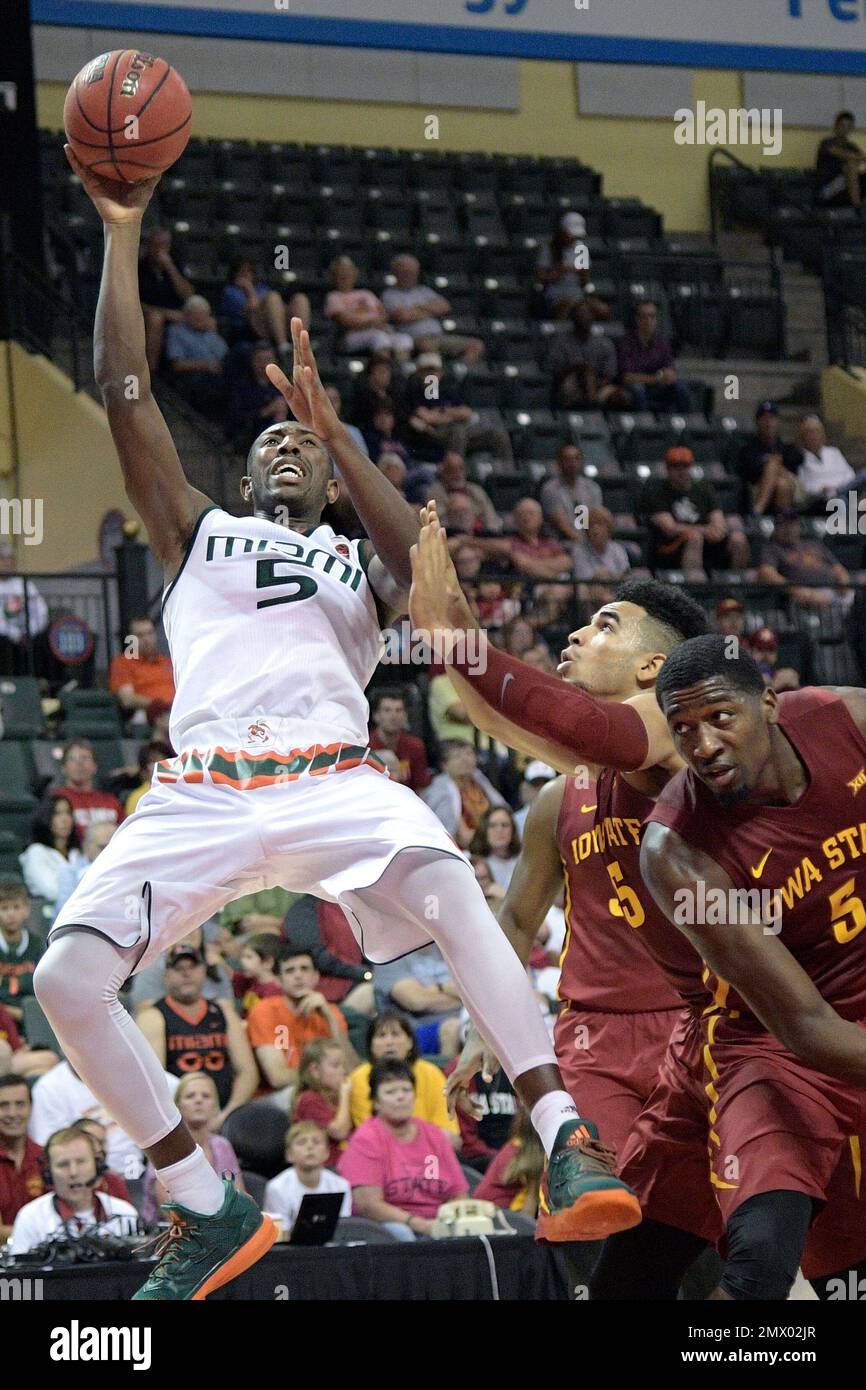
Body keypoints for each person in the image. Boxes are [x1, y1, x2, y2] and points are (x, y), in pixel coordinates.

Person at [36, 153, 623, 1304]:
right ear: (244, 473)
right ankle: (202, 1208)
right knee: (65, 978)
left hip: (333, 780)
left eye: (299, 444)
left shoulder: (356, 553)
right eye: (271, 442)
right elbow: (125, 393)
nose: (285, 448)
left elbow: (433, 585)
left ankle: (561, 1136)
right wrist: (120, 225)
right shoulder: (193, 535)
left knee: (452, 883)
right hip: (203, 790)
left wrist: (340, 431)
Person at [411, 521, 866, 1297]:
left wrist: (464, 645)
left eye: (604, 624)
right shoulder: (611, 796)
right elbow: (526, 726)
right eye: (689, 728)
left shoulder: (791, 723)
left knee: (784, 1261)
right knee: (651, 1235)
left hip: (743, 1017)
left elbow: (562, 720)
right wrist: (455, 644)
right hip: (679, 1030)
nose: (702, 744)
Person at [591, 638, 866, 1302]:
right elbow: (803, 1025)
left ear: (768, 703)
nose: (704, 744)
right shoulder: (676, 849)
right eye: (682, 729)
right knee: (752, 1271)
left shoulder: (849, 719)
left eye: (720, 718)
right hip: (770, 1048)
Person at [337, 1059, 467, 1240]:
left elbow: (459, 1194)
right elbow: (368, 1204)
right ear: (376, 1103)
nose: (401, 1097)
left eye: (406, 1090)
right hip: (393, 1229)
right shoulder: (366, 1139)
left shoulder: (435, 1135)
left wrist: (452, 1223)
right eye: (390, 1092)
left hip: (438, 1225)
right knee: (403, 1234)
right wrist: (418, 1224)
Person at [136, 942, 258, 1124]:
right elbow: (154, 1081)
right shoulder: (153, 1016)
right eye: (179, 968)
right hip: (176, 1119)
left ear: (203, 971)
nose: (187, 973)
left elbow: (247, 1071)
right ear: (167, 975)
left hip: (225, 1114)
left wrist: (226, 1115)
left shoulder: (223, 1012)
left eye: (193, 967)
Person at [30, 1056, 179, 1181]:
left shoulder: (137, 1072)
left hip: (136, 1176)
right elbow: (51, 1150)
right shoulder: (49, 1087)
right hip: (81, 1181)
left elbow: (182, 1091)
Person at [9, 1126, 138, 1254]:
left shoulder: (124, 1213)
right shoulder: (30, 1218)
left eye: (81, 1162)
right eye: (63, 1164)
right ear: (48, 1172)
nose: (73, 1172)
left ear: (97, 1166)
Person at [141, 1074, 244, 1224]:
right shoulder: (163, 1148)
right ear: (177, 1106)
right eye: (190, 1096)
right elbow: (169, 1210)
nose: (199, 1100)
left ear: (215, 1107)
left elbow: (239, 1200)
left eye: (206, 1096)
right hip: (172, 1236)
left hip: (221, 1233)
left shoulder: (222, 1146)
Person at [246, 946, 349, 1094]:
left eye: (304, 969)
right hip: (282, 1095)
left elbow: (350, 1066)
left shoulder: (331, 1011)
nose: (298, 975)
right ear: (279, 981)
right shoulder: (264, 1011)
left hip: (329, 1089)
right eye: (290, 971)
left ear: (316, 977)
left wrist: (329, 1017)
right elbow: (278, 1077)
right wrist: (326, 1076)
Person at [639, 446, 749, 577]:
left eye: (685, 466)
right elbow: (670, 528)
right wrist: (705, 530)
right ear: (668, 469)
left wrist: (716, 531)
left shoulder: (704, 489)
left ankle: (735, 584)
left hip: (707, 542)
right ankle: (694, 588)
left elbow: (718, 522)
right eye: (676, 466)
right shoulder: (656, 492)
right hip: (671, 547)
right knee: (694, 537)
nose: (681, 471)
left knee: (738, 539)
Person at [348, 1013, 458, 1141]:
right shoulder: (359, 1078)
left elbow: (450, 1133)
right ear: (370, 1045)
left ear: (410, 1042)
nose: (389, 1042)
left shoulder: (431, 1073)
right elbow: (370, 1134)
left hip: (431, 1150)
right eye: (381, 1036)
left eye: (396, 1034)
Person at [403, 354, 513, 464]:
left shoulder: (447, 391)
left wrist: (442, 412)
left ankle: (506, 472)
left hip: (460, 432)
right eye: (426, 372)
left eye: (434, 371)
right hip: (433, 434)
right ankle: (455, 471)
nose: (431, 375)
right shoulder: (414, 393)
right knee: (458, 430)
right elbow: (428, 418)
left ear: (441, 373)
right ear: (419, 374)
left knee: (497, 434)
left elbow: (467, 413)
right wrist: (454, 416)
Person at [382, 253, 485, 362]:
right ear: (396, 273)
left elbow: (445, 306)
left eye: (413, 272)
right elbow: (403, 316)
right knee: (428, 346)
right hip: (414, 338)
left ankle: (457, 373)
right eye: (406, 272)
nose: (410, 275)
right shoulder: (390, 294)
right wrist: (430, 310)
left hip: (438, 335)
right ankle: (433, 378)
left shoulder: (423, 290)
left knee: (476, 345)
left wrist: (416, 309)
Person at [372, 944, 464, 1060]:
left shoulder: (449, 946)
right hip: (417, 1031)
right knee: (452, 1027)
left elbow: (477, 991)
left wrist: (428, 991)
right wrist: (445, 988)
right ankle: (446, 1076)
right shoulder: (389, 955)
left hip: (467, 1017)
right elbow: (417, 1001)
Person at [758, 509, 852, 613]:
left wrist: (844, 584)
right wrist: (798, 591)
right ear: (776, 528)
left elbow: (838, 568)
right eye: (784, 525)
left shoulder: (814, 544)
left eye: (793, 525)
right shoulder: (773, 548)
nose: (789, 529)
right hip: (807, 594)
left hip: (836, 590)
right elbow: (767, 573)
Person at [263, 1121, 351, 1231]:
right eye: (301, 1142)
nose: (310, 1147)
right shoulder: (276, 1188)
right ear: (289, 1155)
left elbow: (344, 1227)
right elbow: (279, 1233)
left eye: (316, 1142)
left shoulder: (341, 1186)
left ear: (327, 1152)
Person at [219, 256, 310, 358]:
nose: (246, 274)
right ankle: (282, 345)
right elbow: (252, 308)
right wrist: (249, 289)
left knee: (300, 298)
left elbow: (278, 308)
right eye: (242, 271)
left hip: (274, 325)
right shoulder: (230, 291)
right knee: (273, 297)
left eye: (249, 271)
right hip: (250, 330)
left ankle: (302, 344)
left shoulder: (262, 288)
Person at [324, 256, 413, 358]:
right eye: (341, 272)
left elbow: (383, 314)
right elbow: (345, 321)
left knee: (404, 340)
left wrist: (380, 324)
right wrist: (373, 324)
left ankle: (401, 370)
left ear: (355, 273)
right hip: (352, 335)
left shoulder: (366, 293)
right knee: (379, 338)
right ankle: (381, 371)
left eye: (348, 271)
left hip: (377, 329)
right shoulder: (334, 296)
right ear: (334, 276)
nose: (345, 275)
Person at [421, 741, 506, 846]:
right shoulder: (440, 791)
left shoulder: (480, 780)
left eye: (469, 753)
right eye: (457, 756)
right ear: (444, 765)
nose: (465, 760)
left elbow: (505, 813)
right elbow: (462, 837)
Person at [616, 300, 692, 414]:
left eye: (652, 317)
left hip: (657, 387)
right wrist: (655, 379)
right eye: (644, 317)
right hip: (634, 388)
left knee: (680, 388)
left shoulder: (661, 343)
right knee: (638, 390)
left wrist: (669, 374)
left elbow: (669, 368)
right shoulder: (626, 343)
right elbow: (627, 377)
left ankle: (689, 427)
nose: (648, 321)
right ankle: (644, 428)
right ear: (637, 319)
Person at [544, 302, 622, 409]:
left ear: (593, 317)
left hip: (599, 384)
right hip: (569, 382)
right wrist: (575, 369)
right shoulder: (560, 341)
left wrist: (593, 383)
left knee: (620, 396)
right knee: (571, 388)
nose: (584, 318)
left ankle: (612, 423)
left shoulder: (604, 343)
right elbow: (552, 369)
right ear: (572, 318)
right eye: (580, 314)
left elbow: (610, 374)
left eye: (587, 314)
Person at [138, 228, 194, 374]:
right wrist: (166, 313)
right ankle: (150, 374)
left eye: (163, 246)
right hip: (146, 316)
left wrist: (170, 268)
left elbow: (188, 295)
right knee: (156, 319)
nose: (159, 250)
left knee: (206, 319)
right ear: (147, 246)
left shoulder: (175, 266)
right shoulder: (138, 268)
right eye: (155, 245)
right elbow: (132, 303)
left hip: (178, 315)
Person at [291, 1038, 353, 1169]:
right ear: (315, 1070)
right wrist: (345, 1095)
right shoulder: (309, 1099)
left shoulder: (334, 1097)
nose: (343, 1071)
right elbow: (340, 1131)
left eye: (343, 1065)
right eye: (336, 1066)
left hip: (347, 1162)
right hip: (327, 1168)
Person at [535, 212, 608, 322]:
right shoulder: (548, 249)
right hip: (555, 294)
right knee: (568, 305)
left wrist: (581, 273)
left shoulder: (581, 249)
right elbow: (541, 277)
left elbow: (585, 281)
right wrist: (558, 273)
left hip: (578, 294)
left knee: (602, 310)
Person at [734, 401, 802, 516]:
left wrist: (773, 463)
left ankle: (757, 510)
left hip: (794, 488)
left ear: (778, 422)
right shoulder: (749, 448)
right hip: (759, 487)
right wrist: (771, 464)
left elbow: (796, 463)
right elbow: (749, 471)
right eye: (764, 419)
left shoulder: (786, 447)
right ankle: (783, 522)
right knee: (781, 485)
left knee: (774, 465)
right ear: (757, 422)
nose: (768, 423)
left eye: (772, 419)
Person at [19, 796, 85, 912]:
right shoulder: (36, 852)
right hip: (47, 915)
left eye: (68, 813)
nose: (65, 819)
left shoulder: (76, 852)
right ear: (46, 818)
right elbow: (52, 892)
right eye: (57, 814)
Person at [0, 1074, 46, 1241]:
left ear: (31, 1107)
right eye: (3, 1105)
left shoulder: (47, 1158)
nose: (12, 1114)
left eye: (20, 1104)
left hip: (46, 1262)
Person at [165, 296, 228, 416]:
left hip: (218, 371)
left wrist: (214, 332)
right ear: (186, 315)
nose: (200, 318)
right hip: (196, 374)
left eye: (204, 315)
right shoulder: (176, 331)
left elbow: (225, 354)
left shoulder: (210, 332)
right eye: (196, 314)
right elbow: (177, 365)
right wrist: (205, 366)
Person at [475, 1106, 545, 1214]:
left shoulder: (514, 1145)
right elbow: (527, 1213)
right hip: (498, 1218)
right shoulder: (532, 1157)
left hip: (490, 1214)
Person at [108, 614, 175, 724]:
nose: (147, 639)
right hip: (147, 714)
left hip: (175, 711)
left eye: (150, 633)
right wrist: (159, 705)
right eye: (140, 635)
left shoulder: (167, 661)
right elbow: (127, 699)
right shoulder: (123, 662)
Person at [53, 740, 125, 838]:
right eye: (72, 759)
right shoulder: (56, 800)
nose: (79, 764)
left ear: (95, 766)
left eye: (85, 758)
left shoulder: (112, 802)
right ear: (63, 768)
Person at [226, 340, 290, 448]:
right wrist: (266, 412)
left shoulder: (281, 385)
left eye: (268, 360)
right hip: (255, 434)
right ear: (253, 362)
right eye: (260, 360)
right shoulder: (242, 386)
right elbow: (236, 418)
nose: (265, 364)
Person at [0, 541, 50, 676]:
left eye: (10, 559)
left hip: (28, 636)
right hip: (5, 637)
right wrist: (16, 635)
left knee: (45, 642)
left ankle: (43, 685)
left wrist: (29, 632)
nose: (7, 563)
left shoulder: (23, 583)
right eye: (2, 559)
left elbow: (41, 611)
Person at [368, 688, 431, 794]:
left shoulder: (415, 746)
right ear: (376, 716)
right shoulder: (364, 745)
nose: (393, 716)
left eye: (398, 710)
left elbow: (421, 787)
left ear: (406, 716)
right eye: (387, 710)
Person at [425, 451, 502, 534]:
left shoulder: (476, 490)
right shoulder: (434, 492)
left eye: (461, 468)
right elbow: (438, 522)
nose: (457, 474)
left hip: (480, 538)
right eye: (451, 470)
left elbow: (492, 521)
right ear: (443, 472)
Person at [540, 444, 603, 543]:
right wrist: (584, 545)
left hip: (590, 541)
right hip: (562, 542)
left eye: (576, 459)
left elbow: (597, 518)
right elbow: (562, 525)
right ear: (559, 463)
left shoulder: (592, 487)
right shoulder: (550, 489)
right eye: (568, 459)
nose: (573, 463)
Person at [53, 821, 116, 919]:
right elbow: (64, 915)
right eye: (103, 847)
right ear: (86, 846)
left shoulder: (126, 872)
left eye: (114, 848)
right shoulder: (70, 873)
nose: (109, 853)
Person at [0, 880, 42, 1024]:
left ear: (26, 910)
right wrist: (13, 1013)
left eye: (16, 907)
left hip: (32, 1015)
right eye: (4, 908)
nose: (11, 914)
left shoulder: (37, 944)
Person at [572, 506, 632, 602]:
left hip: (615, 590)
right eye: (591, 525)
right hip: (591, 593)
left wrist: (607, 577)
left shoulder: (617, 549)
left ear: (608, 527)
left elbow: (625, 575)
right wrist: (604, 576)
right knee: (585, 590)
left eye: (599, 524)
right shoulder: (579, 550)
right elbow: (584, 578)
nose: (595, 529)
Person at [796, 415, 861, 501]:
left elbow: (850, 473)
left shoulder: (833, 452)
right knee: (842, 500)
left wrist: (839, 487)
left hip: (844, 488)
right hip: (825, 497)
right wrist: (820, 489)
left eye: (817, 432)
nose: (814, 436)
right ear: (803, 437)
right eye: (810, 433)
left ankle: (839, 491)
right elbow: (803, 485)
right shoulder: (800, 457)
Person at [816, 110, 866, 209]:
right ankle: (857, 207)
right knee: (851, 165)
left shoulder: (852, 146)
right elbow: (842, 154)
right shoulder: (827, 142)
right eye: (842, 125)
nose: (845, 129)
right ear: (836, 126)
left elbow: (861, 158)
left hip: (846, 189)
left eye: (848, 126)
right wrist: (859, 158)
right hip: (828, 190)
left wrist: (860, 158)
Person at [468, 807, 522, 889]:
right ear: (484, 830)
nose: (499, 830)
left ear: (513, 830)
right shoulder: (473, 865)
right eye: (492, 825)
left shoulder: (524, 860)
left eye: (505, 825)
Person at [233, 932, 283, 1016]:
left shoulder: (274, 991)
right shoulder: (253, 981)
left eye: (249, 957)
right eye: (242, 957)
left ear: (268, 962)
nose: (243, 962)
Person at [124, 741, 172, 816]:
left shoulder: (182, 789)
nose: (161, 765)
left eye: (164, 760)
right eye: (154, 761)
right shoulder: (137, 797)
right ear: (144, 771)